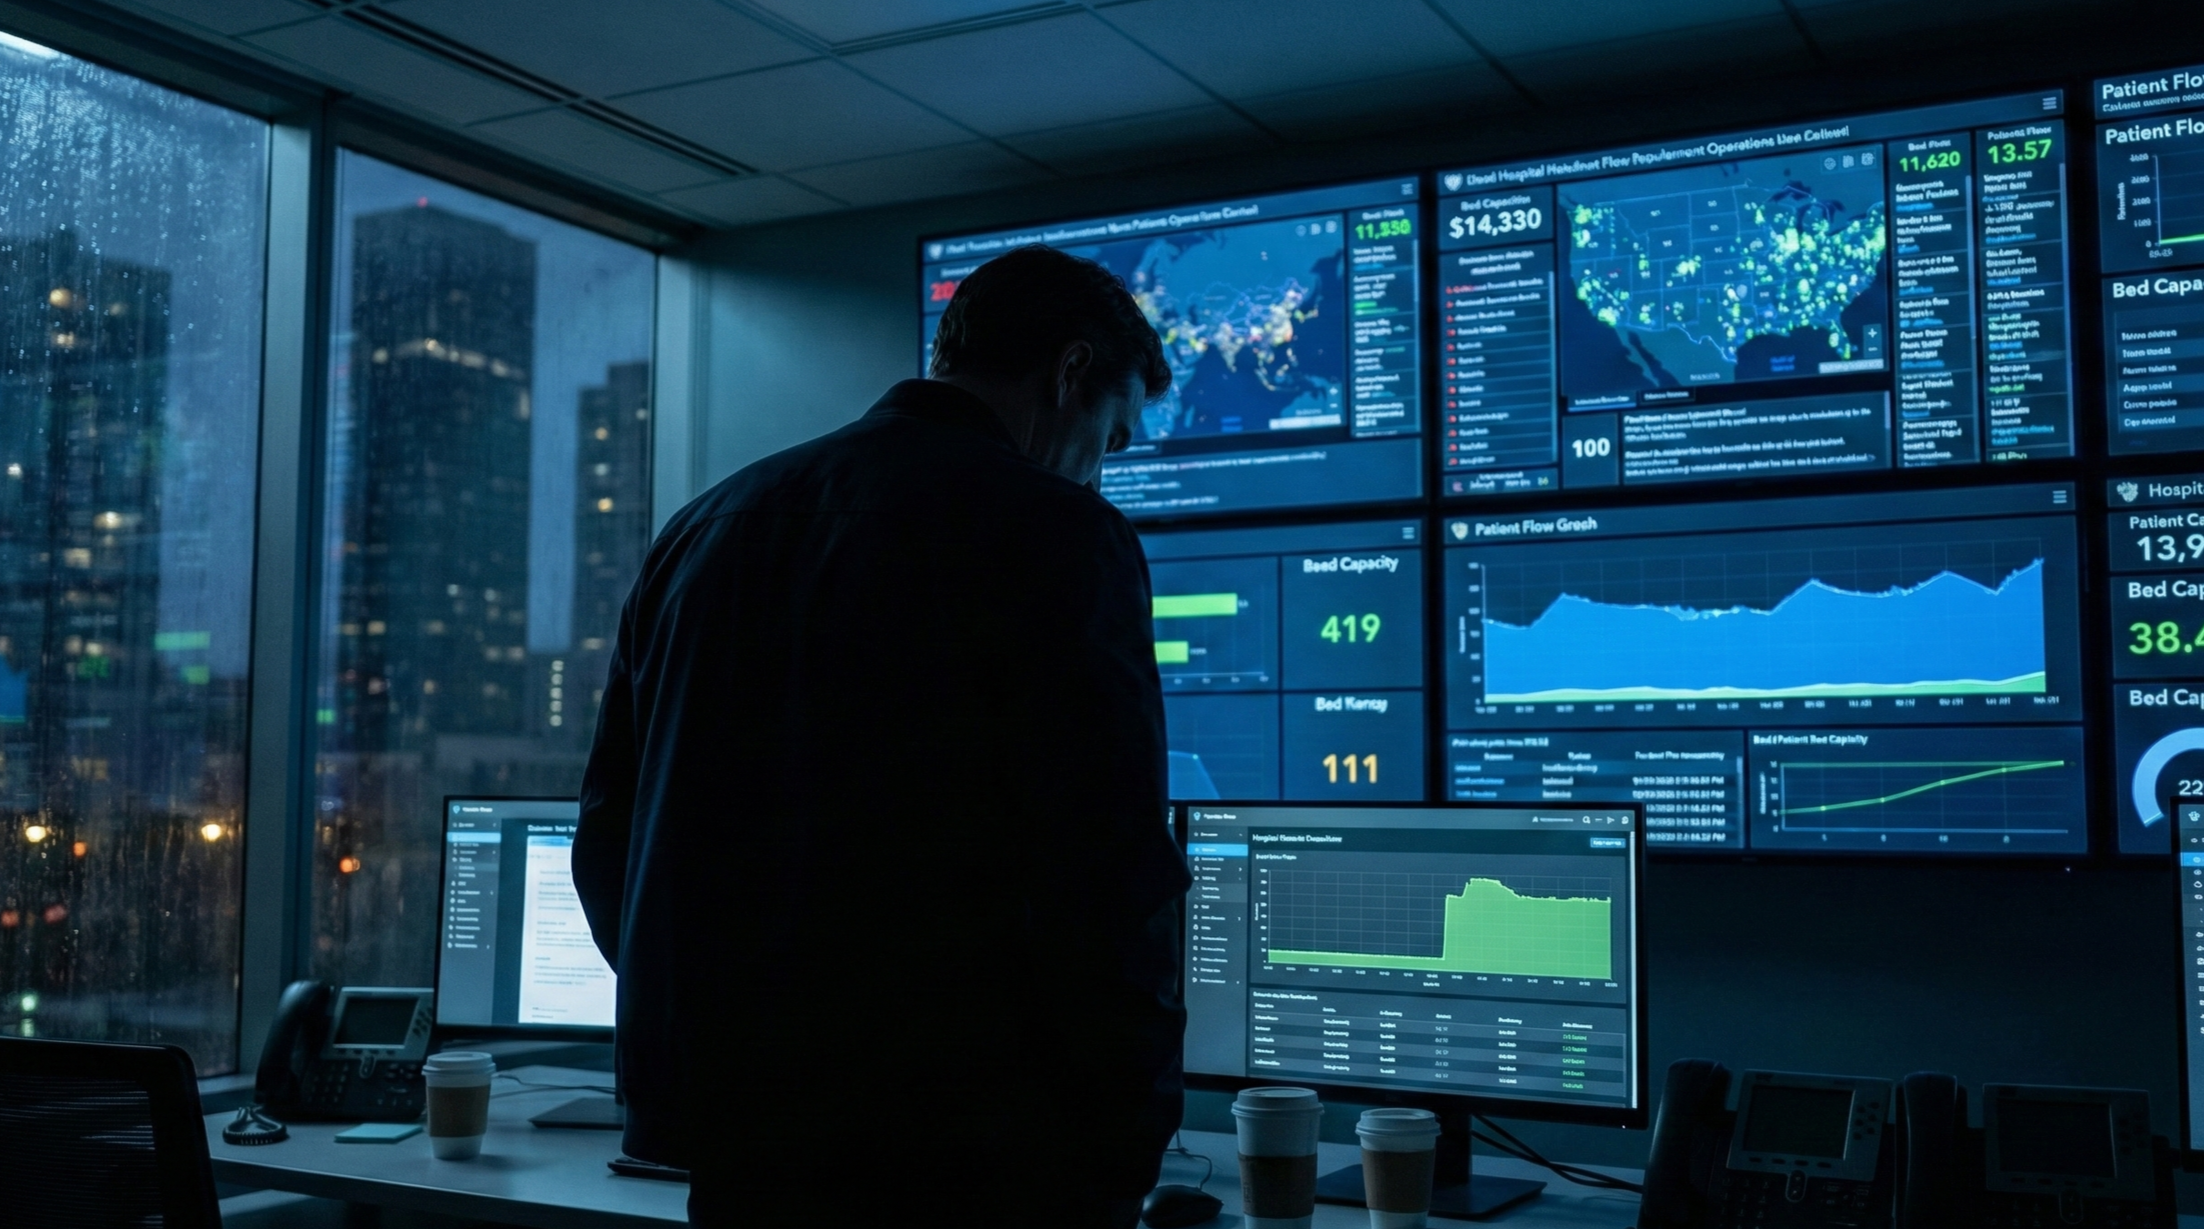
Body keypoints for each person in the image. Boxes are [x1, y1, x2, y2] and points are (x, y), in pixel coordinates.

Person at [572, 245, 1190, 1228]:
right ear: (1069, 372)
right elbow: (1107, 870)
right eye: (1110, 440)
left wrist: (726, 1045)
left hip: (739, 1147)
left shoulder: (704, 528)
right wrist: (1127, 1144)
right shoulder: (1056, 531)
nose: (1099, 474)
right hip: (974, 1158)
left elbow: (611, 842)